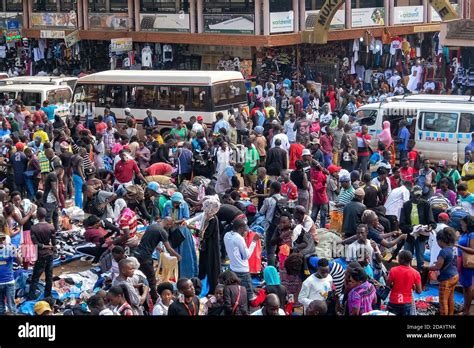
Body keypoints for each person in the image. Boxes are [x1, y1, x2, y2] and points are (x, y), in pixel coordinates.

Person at [133, 218, 181, 303]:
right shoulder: (162, 232)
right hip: (145, 257)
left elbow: (147, 240)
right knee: (151, 279)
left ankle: (140, 294)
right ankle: (155, 300)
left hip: (137, 253)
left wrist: (157, 247)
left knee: (139, 276)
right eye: (170, 226)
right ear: (168, 224)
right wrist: (178, 256)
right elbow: (169, 249)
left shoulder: (152, 226)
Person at [400, 185, 437, 272]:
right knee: (406, 257)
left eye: (419, 195)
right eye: (416, 195)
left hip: (421, 236)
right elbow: (402, 224)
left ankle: (420, 274)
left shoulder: (425, 204)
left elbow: (431, 222)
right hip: (409, 235)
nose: (418, 197)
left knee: (420, 257)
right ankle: (406, 274)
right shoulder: (406, 205)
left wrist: (429, 227)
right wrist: (412, 228)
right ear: (411, 194)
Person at [224, 218, 259, 302]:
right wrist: (254, 241)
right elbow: (246, 256)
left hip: (232, 268)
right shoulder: (239, 238)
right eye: (244, 228)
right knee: (250, 296)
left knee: (236, 294)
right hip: (243, 271)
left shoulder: (227, 235)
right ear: (240, 228)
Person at [426, 227, 458, 315]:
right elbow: (450, 261)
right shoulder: (453, 249)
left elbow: (437, 267)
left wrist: (427, 268)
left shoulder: (443, 251)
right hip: (455, 275)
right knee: (450, 298)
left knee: (443, 301)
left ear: (440, 240)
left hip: (446, 278)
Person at [27, 207, 56, 300]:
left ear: (37, 216)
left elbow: (36, 244)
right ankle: (48, 294)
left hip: (40, 255)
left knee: (35, 276)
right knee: (49, 275)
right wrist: (51, 248)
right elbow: (54, 242)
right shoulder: (51, 226)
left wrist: (44, 246)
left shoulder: (33, 228)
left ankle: (31, 295)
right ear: (45, 215)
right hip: (50, 254)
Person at [386, 250, 422, 316]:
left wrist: (393, 285)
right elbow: (419, 291)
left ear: (401, 260)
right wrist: (413, 287)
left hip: (394, 301)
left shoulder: (393, 270)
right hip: (407, 302)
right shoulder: (416, 273)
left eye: (398, 257)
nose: (397, 259)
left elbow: (387, 285)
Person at [259, 181, 284, 266]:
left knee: (270, 251)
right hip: (282, 227)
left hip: (271, 227)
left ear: (272, 189)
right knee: (281, 249)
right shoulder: (284, 199)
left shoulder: (268, 200)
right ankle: (279, 265)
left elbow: (261, 212)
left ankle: (271, 269)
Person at [455, 215, 474, 316]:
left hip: (468, 263)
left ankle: (467, 310)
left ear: (468, 223)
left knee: (468, 287)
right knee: (464, 285)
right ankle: (465, 308)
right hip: (461, 262)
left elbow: (473, 250)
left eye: (463, 223)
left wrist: (458, 246)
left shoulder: (472, 234)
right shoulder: (465, 233)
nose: (461, 225)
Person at [0, 232, 22, 315]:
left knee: (9, 307)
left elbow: (20, 262)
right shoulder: (8, 250)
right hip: (8, 282)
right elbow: (20, 262)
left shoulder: (9, 250)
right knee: (7, 307)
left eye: (2, 239)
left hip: (9, 282)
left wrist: (15, 252)